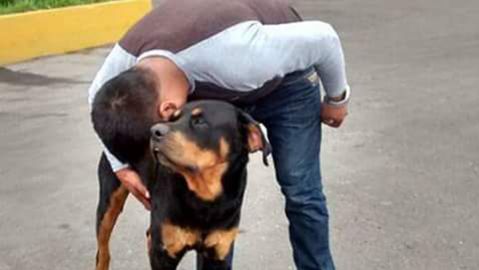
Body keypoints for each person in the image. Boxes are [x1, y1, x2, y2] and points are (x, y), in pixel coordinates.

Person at [88, 0, 350, 269]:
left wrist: (337, 98)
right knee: (215, 188)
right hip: (216, 84)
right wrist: (120, 167)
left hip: (287, 83)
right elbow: (95, 99)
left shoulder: (242, 53)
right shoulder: (125, 59)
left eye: (165, 127)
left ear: (169, 109)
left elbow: (324, 38)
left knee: (301, 190)